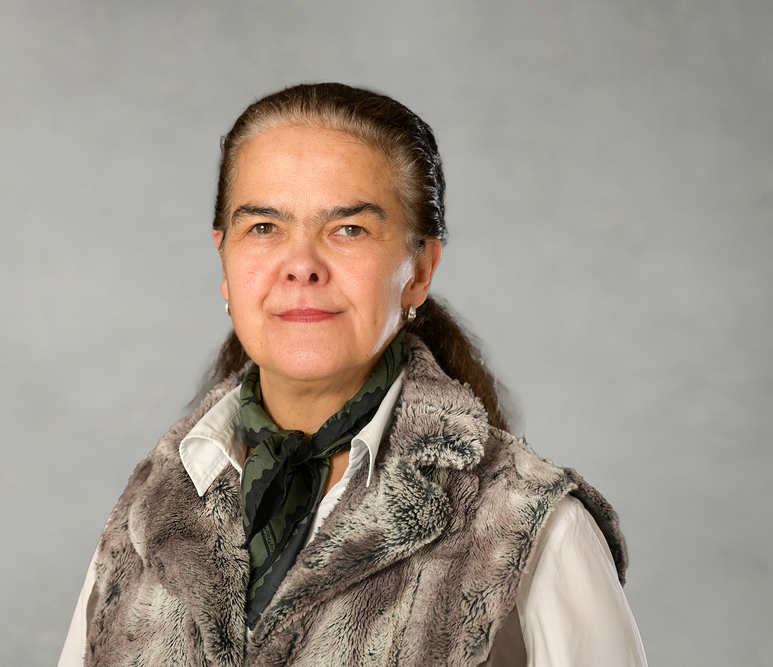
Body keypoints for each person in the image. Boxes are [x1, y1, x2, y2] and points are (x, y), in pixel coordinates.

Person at [59, 83, 647, 666]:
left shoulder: (534, 526)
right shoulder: (145, 516)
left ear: (420, 270)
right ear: (225, 260)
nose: (301, 266)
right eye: (263, 227)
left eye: (349, 230)